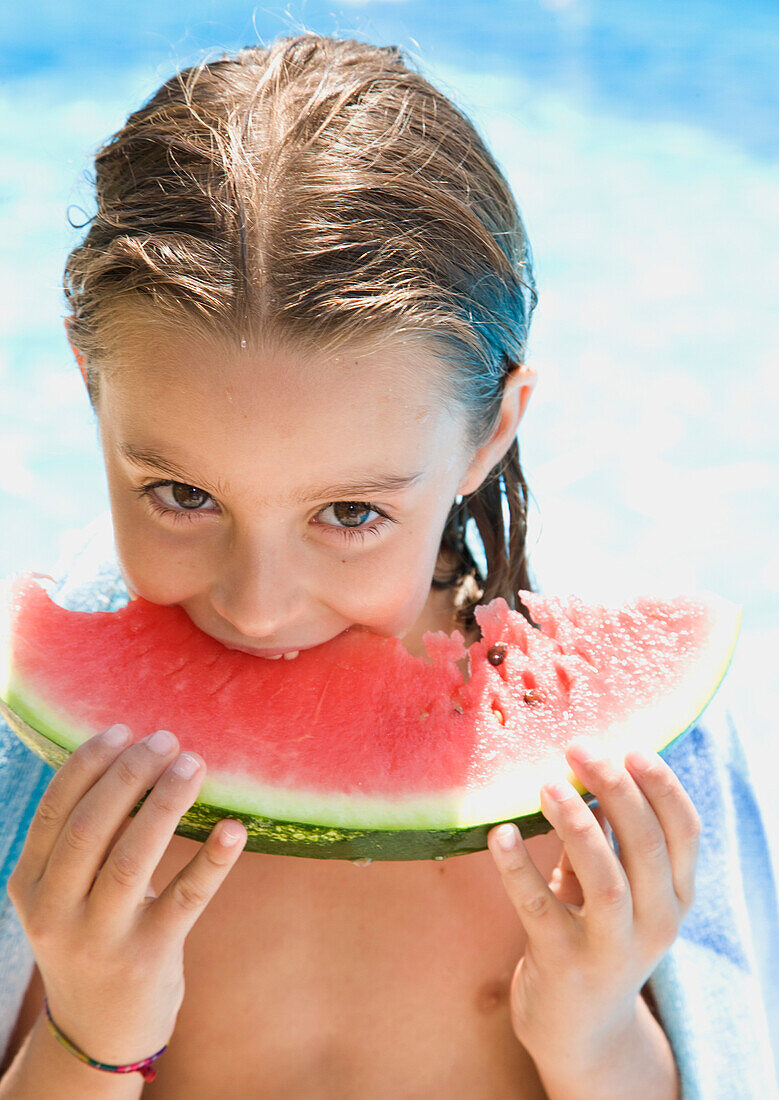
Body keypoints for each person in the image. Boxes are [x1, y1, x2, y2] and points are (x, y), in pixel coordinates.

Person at [0, 33, 776, 1100]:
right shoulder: (41, 752)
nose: (256, 603)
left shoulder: (617, 768)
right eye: (181, 495)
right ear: (92, 385)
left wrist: (592, 1035)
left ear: (487, 432)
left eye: (351, 511)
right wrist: (91, 1036)